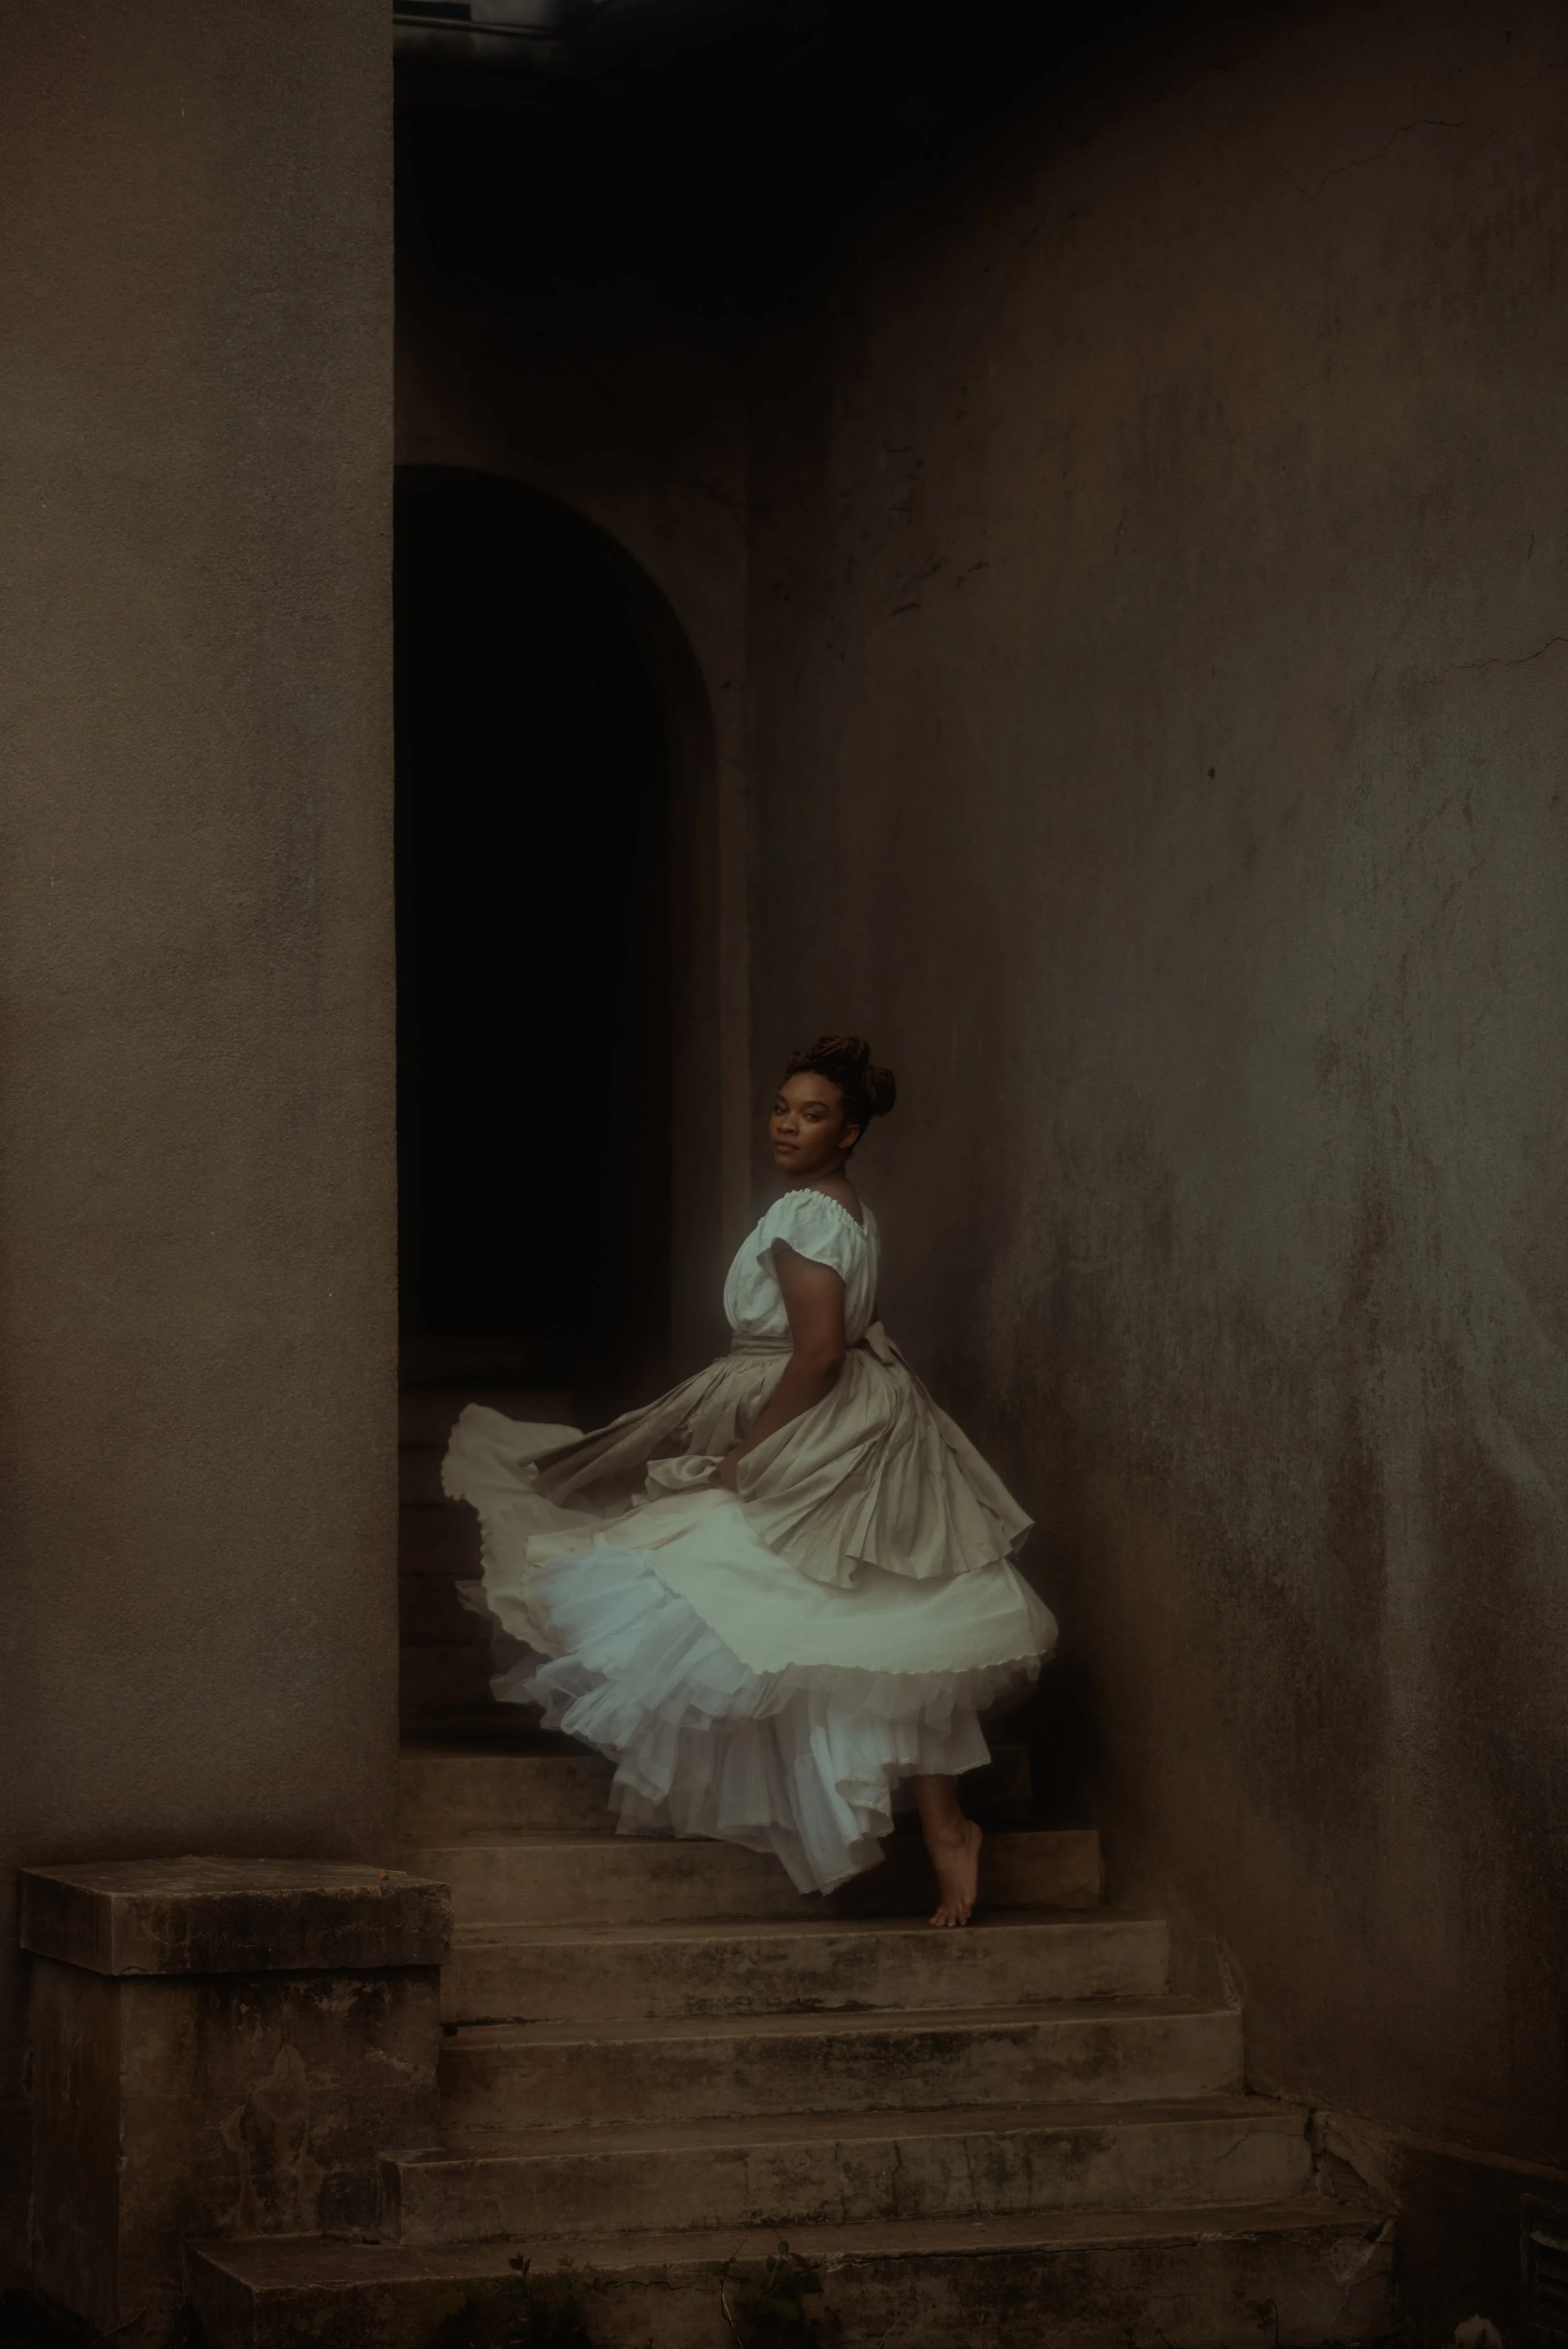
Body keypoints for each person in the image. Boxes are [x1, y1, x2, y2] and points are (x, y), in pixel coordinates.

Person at [445, 1036, 1056, 1926]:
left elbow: (816, 1352)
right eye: (781, 1107)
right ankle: (944, 1827)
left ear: (848, 1134)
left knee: (772, 1596)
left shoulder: (808, 1217)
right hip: (855, 1414)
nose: (787, 1125)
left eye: (812, 1114)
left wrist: (747, 1454)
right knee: (877, 1630)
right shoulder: (843, 1209)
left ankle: (943, 1829)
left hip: (814, 1417)